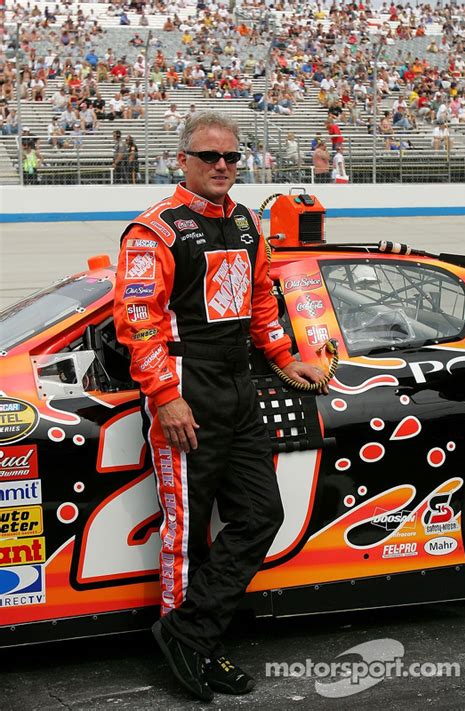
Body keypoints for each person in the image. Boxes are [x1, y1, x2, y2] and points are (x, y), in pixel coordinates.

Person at [113, 111, 327, 702]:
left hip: (239, 385)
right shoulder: (153, 231)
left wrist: (284, 360)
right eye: (210, 157)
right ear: (182, 160)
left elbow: (261, 302)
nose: (223, 167)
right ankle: (197, 648)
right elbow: (137, 322)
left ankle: (185, 633)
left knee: (261, 513)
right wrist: (166, 396)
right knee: (186, 533)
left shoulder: (247, 223)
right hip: (185, 386)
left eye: (232, 157)